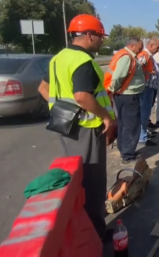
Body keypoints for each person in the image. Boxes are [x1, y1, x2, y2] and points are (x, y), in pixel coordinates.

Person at [37, 14, 116, 242]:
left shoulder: (59, 58)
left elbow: (44, 88)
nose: (102, 40)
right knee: (92, 183)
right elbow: (82, 96)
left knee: (78, 179)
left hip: (67, 126)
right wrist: (106, 118)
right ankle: (95, 237)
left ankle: (86, 230)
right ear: (89, 35)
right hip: (87, 128)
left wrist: (61, 109)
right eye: (100, 36)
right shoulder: (83, 62)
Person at [104, 37, 145, 165]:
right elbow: (118, 76)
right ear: (132, 46)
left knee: (123, 124)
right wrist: (114, 89)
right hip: (128, 96)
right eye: (139, 47)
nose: (141, 50)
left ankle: (124, 149)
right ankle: (128, 155)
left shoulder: (125, 55)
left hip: (123, 96)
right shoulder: (127, 57)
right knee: (131, 125)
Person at [137, 37, 159, 146]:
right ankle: (142, 137)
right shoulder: (144, 55)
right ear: (151, 46)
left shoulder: (149, 55)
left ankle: (144, 133)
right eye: (157, 47)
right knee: (144, 113)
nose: (158, 49)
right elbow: (138, 68)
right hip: (146, 88)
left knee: (146, 113)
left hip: (149, 88)